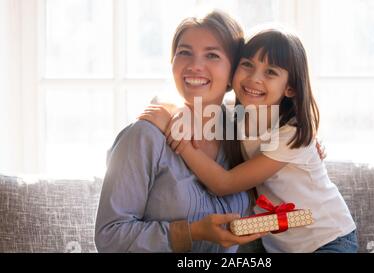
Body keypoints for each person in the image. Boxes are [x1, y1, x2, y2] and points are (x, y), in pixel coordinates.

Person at [141, 29, 357, 253]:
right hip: (278, 245)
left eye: (270, 72)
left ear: (290, 87)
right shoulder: (235, 114)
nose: (255, 78)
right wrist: (176, 112)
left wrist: (181, 141)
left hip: (328, 239)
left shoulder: (291, 134)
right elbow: (188, 98)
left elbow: (224, 184)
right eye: (247, 64)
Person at [95, 11, 265, 253]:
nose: (195, 66)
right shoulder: (144, 137)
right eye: (184, 52)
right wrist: (190, 232)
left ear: (234, 74)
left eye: (212, 55)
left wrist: (305, 150)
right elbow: (109, 237)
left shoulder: (243, 134)